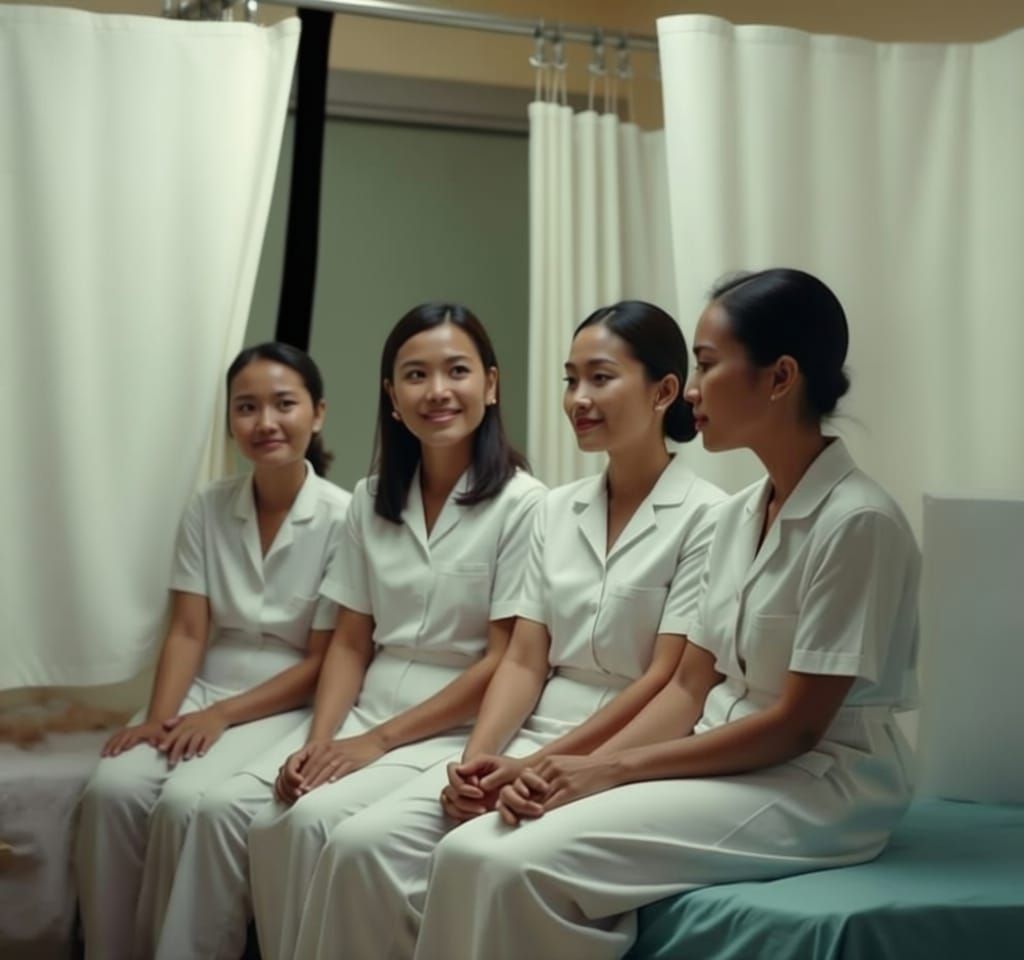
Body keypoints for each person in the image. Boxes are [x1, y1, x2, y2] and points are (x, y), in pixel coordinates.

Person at [414, 268, 921, 960]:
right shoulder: (741, 514)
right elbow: (688, 687)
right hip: (727, 754)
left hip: (822, 786)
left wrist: (611, 770)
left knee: (509, 864)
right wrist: (545, 762)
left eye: (707, 366)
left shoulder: (858, 522)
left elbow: (799, 727)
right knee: (471, 849)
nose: (692, 390)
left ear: (779, 378)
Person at [291, 300, 725, 960]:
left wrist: (545, 765)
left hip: (627, 741)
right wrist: (477, 760)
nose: (578, 398)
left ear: (665, 391)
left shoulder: (709, 517)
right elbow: (523, 660)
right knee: (355, 845)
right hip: (530, 733)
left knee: (470, 860)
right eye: (570, 379)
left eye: (600, 378)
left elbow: (667, 680)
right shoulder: (556, 509)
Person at [151, 303, 544, 960]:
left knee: (308, 826)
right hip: (366, 709)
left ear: (492, 386)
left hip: (448, 721)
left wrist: (373, 743)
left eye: (457, 371)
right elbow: (352, 643)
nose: (438, 391)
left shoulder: (526, 503)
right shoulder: (369, 500)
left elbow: (503, 660)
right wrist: (323, 740)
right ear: (392, 397)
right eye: (415, 375)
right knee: (265, 816)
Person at [74, 342, 350, 960]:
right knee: (111, 790)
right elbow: (188, 631)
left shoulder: (345, 517)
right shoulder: (208, 505)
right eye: (246, 407)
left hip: (287, 701)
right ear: (230, 420)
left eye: (284, 404)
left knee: (180, 803)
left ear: (319, 413)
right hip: (204, 683)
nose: (266, 423)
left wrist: (221, 716)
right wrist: (156, 718)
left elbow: (325, 660)